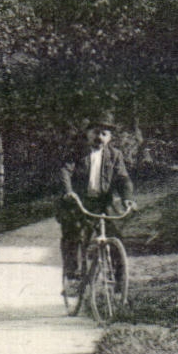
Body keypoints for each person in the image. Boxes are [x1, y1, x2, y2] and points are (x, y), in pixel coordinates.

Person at [57, 118, 134, 296]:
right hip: (77, 201)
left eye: (104, 134)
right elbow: (64, 172)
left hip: (102, 202)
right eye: (95, 132)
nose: (99, 137)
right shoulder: (75, 153)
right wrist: (68, 191)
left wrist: (127, 198)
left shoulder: (115, 155)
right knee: (73, 232)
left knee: (116, 237)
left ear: (109, 137)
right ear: (88, 134)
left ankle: (119, 284)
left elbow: (123, 178)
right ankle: (73, 278)